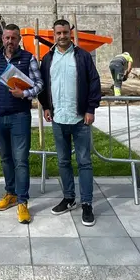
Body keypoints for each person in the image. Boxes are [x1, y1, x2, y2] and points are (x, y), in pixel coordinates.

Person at [39, 19, 102, 227]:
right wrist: (46, 106)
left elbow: (94, 82)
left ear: (70, 33)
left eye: (65, 32)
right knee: (63, 161)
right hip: (58, 119)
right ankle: (68, 198)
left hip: (79, 118)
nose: (62, 36)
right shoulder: (48, 58)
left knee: (84, 162)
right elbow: (43, 85)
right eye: (58, 33)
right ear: (53, 35)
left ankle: (87, 204)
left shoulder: (82, 56)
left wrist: (90, 109)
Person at [0, 23, 43, 224]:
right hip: (0, 117)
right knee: (5, 158)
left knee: (21, 160)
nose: (10, 41)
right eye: (7, 38)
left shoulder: (28, 58)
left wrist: (23, 93)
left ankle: (23, 201)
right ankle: (11, 193)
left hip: (20, 117)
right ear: (2, 39)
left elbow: (40, 85)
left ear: (19, 39)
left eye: (14, 38)